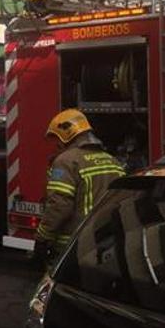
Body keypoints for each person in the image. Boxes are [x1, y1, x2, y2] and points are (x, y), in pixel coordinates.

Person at [34, 108, 125, 264]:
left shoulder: (66, 161)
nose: (56, 145)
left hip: (75, 246)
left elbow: (59, 206)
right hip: (108, 242)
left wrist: (42, 238)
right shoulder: (112, 161)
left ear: (66, 135)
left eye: (57, 138)